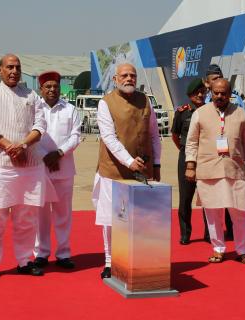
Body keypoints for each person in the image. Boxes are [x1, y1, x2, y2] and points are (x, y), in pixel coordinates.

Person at [0, 54, 56, 280]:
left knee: (26, 218)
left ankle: (24, 260)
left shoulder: (31, 96)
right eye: (9, 67)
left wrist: (24, 145)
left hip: (28, 167)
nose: (14, 71)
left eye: (17, 67)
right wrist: (10, 147)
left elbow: (41, 125)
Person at [92, 63, 161, 279]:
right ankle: (110, 261)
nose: (129, 78)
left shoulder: (145, 101)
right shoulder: (106, 103)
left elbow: (154, 136)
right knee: (112, 219)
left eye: (132, 75)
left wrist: (157, 164)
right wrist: (129, 161)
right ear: (115, 79)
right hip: (113, 170)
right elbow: (109, 137)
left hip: (141, 172)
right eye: (124, 75)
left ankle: (135, 259)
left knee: (140, 218)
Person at [185, 78, 245, 264]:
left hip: (235, 170)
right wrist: (190, 166)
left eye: (223, 93)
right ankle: (218, 249)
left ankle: (242, 249)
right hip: (208, 171)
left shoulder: (241, 113)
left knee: (239, 213)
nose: (219, 96)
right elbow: (191, 142)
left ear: (230, 93)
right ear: (211, 93)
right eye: (216, 93)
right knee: (213, 213)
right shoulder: (200, 113)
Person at [33, 71, 81, 269]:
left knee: (63, 214)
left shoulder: (70, 109)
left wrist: (59, 153)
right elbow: (31, 137)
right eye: (48, 86)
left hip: (64, 168)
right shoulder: (34, 110)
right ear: (41, 89)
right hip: (41, 169)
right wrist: (46, 156)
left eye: (56, 86)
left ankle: (63, 253)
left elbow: (76, 136)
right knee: (40, 215)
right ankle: (41, 253)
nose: (52, 90)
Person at [171, 78, 209, 244]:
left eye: (202, 92)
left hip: (207, 158)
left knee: (208, 197)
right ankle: (185, 233)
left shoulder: (210, 111)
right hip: (186, 158)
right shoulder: (182, 112)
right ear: (190, 95)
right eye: (196, 92)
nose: (200, 95)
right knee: (186, 197)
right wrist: (185, 150)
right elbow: (175, 134)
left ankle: (210, 233)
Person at [203, 64, 233, 239]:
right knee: (209, 196)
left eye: (220, 78)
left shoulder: (232, 99)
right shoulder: (202, 101)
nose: (218, 83)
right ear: (207, 83)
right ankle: (211, 232)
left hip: (228, 155)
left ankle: (231, 229)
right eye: (213, 79)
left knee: (231, 194)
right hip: (209, 156)